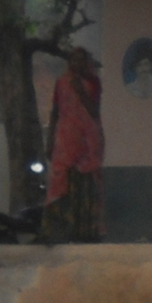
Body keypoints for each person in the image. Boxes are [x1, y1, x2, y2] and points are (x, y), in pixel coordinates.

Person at [39, 46, 105, 243]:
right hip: (65, 141)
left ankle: (85, 232)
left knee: (84, 183)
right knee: (61, 182)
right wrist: (50, 140)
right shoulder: (61, 82)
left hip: (86, 143)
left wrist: (79, 88)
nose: (76, 64)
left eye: (80, 60)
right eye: (73, 60)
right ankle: (57, 232)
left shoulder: (93, 82)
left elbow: (94, 111)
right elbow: (55, 111)